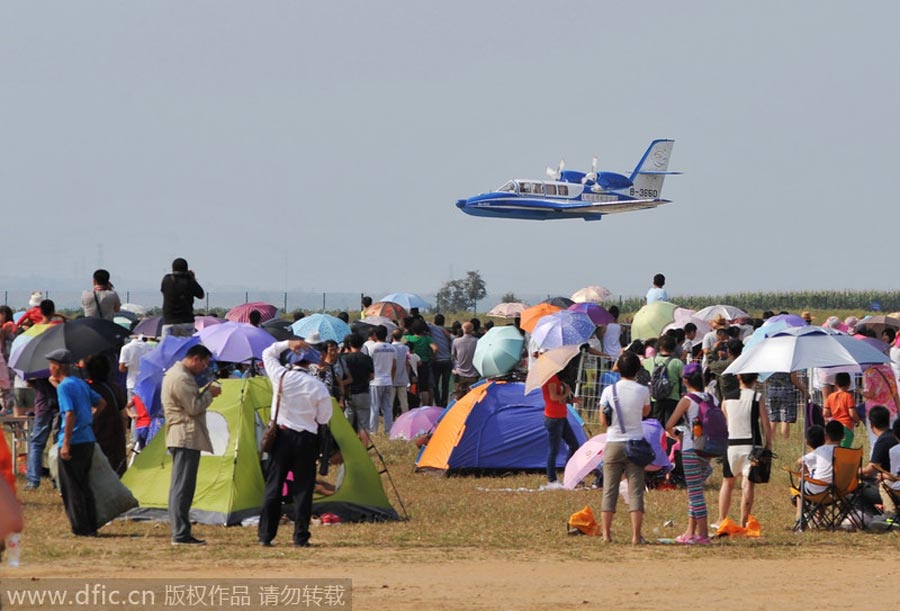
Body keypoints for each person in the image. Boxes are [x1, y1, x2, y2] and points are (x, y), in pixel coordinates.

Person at [259, 339, 332, 547]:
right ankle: (300, 536)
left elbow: (267, 353)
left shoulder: (280, 376)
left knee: (274, 486)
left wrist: (288, 343)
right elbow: (324, 418)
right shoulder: (318, 386)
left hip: (281, 437)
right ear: (310, 364)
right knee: (303, 489)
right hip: (306, 439)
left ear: (292, 361)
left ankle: (266, 535)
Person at [162, 344, 220, 545]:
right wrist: (210, 394)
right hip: (184, 435)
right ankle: (180, 533)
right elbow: (194, 407)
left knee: (182, 486)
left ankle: (181, 530)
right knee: (182, 488)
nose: (205, 368)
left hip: (183, 435)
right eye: (204, 363)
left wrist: (204, 391)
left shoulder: (181, 375)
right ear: (195, 359)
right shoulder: (181, 378)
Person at [51, 349, 106, 536]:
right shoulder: (80, 383)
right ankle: (91, 525)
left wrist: (66, 443)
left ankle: (80, 528)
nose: (50, 368)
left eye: (51, 364)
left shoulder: (64, 386)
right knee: (84, 485)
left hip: (73, 440)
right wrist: (89, 420)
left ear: (58, 366)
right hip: (87, 438)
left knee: (71, 487)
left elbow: (69, 413)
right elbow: (101, 403)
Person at [597, 351, 650, 544]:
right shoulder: (643, 390)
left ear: (618, 368)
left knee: (609, 490)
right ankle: (636, 536)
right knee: (636, 491)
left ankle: (606, 534)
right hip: (635, 444)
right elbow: (646, 412)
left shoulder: (609, 390)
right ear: (637, 370)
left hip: (613, 442)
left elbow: (603, 421)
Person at [666, 362, 715, 544]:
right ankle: (690, 531)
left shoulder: (687, 400)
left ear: (685, 381)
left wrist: (677, 436)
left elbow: (669, 425)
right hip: (707, 449)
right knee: (695, 489)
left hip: (690, 448)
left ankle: (703, 534)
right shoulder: (711, 398)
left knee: (695, 493)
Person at [716, 373, 771, 529]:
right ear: (755, 379)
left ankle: (721, 519)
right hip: (751, 446)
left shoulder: (726, 398)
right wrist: (769, 444)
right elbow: (765, 423)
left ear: (738, 377)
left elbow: (726, 420)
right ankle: (743, 522)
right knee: (748, 484)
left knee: (727, 482)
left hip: (731, 445)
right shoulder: (757, 397)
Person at [84, 356, 128, 476]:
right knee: (118, 472)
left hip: (96, 436)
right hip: (116, 437)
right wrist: (122, 434)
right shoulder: (114, 388)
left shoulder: (87, 390)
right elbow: (123, 415)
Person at [541, 374, 580, 490]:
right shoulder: (550, 379)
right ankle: (551, 479)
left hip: (561, 417)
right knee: (554, 450)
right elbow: (553, 397)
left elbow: (559, 399)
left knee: (574, 445)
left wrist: (571, 400)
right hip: (554, 418)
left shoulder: (556, 378)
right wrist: (567, 392)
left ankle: (569, 474)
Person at [24, 377, 59, 490]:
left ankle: (33, 481)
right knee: (58, 445)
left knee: (36, 445)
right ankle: (58, 480)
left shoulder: (36, 370)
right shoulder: (59, 368)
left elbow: (29, 383)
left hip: (43, 406)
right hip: (59, 405)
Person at [644, 334, 683, 427]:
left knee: (656, 426)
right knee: (671, 426)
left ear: (660, 347)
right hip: (673, 398)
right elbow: (684, 378)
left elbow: (641, 361)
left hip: (655, 398)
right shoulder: (677, 362)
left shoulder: (651, 361)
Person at [160, 258, 204, 337]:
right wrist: (192, 278)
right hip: (186, 321)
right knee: (187, 345)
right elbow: (201, 295)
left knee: (168, 345)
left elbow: (163, 290)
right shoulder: (189, 281)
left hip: (170, 321)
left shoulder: (167, 280)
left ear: (173, 268)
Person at [861, 363, 900, 447]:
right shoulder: (889, 370)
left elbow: (870, 394)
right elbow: (895, 392)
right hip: (890, 409)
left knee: (875, 441)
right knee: (893, 440)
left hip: (874, 412)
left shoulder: (868, 372)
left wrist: (860, 391)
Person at [341, 333, 373, 432]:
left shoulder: (345, 359)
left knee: (348, 423)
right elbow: (372, 376)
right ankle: (364, 441)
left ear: (350, 344)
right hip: (363, 392)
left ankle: (348, 441)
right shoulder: (367, 358)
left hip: (349, 393)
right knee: (364, 424)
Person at [367, 326, 396, 433]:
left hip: (375, 381)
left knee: (374, 407)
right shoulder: (392, 348)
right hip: (388, 380)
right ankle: (388, 429)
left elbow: (369, 365)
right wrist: (391, 378)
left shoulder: (372, 348)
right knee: (388, 407)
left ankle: (373, 430)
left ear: (375, 335)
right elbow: (394, 366)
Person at [763, 370, 807, 440]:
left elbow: (766, 379)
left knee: (772, 417)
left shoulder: (770, 364)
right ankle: (785, 439)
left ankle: (770, 440)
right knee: (785, 418)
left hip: (772, 390)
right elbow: (793, 379)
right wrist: (803, 391)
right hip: (786, 391)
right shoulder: (789, 364)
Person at [822, 371, 859, 448]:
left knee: (834, 449)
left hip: (835, 427)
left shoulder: (830, 396)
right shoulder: (848, 396)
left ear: (835, 383)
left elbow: (825, 413)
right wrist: (857, 420)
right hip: (846, 426)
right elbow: (852, 413)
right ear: (849, 383)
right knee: (844, 450)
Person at [405, 319, 437, 406]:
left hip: (411, 364)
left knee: (412, 385)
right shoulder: (427, 339)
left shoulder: (408, 338)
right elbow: (435, 349)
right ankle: (425, 406)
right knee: (424, 387)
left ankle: (413, 405)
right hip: (424, 363)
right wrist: (432, 357)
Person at [119, 334, 153, 402]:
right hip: (146, 382)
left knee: (132, 406)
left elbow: (121, 368)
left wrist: (129, 367)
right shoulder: (149, 347)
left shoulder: (126, 348)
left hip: (132, 382)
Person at [429, 314, 454, 407]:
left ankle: (438, 403)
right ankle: (444, 404)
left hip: (437, 361)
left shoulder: (432, 328)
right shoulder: (446, 332)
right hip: (447, 360)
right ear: (443, 322)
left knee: (435, 384)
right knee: (445, 385)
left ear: (434, 321)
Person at [451, 321, 479, 400]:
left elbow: (453, 356)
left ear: (463, 329)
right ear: (472, 329)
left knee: (458, 398)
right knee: (472, 398)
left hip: (459, 373)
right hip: (473, 373)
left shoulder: (456, 341)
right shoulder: (477, 341)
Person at [390, 330, 412, 414]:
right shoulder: (406, 348)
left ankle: (389, 418)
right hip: (403, 378)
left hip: (391, 379)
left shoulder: (390, 348)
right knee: (404, 402)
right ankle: (406, 417)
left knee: (390, 402)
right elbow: (407, 363)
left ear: (392, 337)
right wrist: (408, 376)